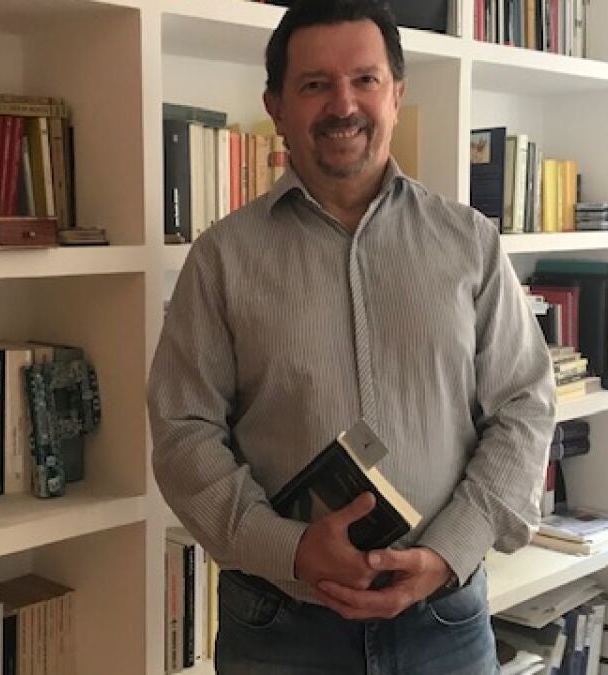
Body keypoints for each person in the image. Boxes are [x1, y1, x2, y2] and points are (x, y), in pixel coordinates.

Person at [148, 0, 555, 672]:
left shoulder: (471, 242)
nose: (343, 105)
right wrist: (290, 548)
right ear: (277, 107)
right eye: (315, 85)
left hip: (443, 624)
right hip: (281, 628)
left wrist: (449, 549)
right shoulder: (222, 258)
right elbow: (183, 431)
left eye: (365, 80)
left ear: (396, 94)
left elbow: (524, 405)